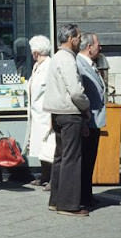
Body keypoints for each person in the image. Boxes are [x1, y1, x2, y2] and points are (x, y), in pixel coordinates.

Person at [43, 24, 90, 216]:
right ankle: (69, 204)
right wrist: (86, 105)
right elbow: (76, 91)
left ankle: (56, 200)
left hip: (57, 112)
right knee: (71, 158)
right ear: (71, 38)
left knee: (61, 157)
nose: (80, 40)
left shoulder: (56, 57)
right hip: (70, 112)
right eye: (78, 37)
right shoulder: (68, 59)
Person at [76, 32, 105, 208]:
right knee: (85, 160)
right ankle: (83, 196)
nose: (99, 48)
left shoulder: (91, 64)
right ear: (89, 47)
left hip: (95, 120)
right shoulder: (79, 64)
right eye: (97, 44)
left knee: (90, 159)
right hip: (88, 119)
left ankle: (87, 193)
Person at [24, 35, 54, 190]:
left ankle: (53, 179)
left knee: (49, 147)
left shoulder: (49, 66)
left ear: (36, 52)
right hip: (36, 114)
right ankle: (44, 176)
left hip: (46, 114)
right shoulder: (37, 66)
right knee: (40, 148)